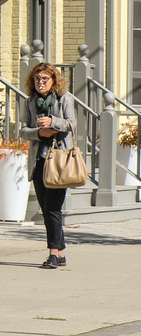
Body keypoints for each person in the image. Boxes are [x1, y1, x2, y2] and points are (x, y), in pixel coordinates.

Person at [21, 63, 76, 269]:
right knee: (46, 209)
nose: (40, 82)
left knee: (53, 208)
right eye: (36, 79)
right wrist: (38, 133)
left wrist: (53, 121)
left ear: (53, 81)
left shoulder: (65, 99)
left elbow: (72, 124)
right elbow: (23, 130)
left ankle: (53, 253)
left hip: (59, 161)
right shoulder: (30, 102)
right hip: (39, 161)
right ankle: (60, 252)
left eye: (45, 79)